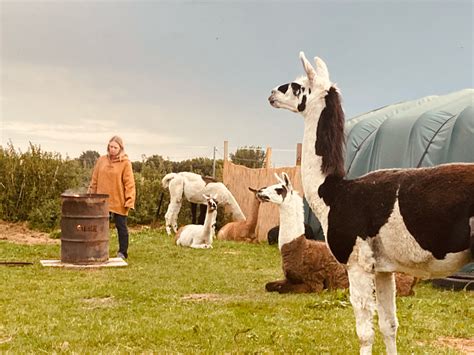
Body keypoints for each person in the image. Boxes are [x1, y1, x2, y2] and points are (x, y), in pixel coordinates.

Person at [88, 136, 136, 259]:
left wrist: (130, 199)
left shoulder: (125, 163)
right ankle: (98, 250)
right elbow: (95, 179)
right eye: (111, 147)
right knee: (99, 226)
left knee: (121, 226)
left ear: (120, 148)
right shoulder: (101, 160)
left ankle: (122, 252)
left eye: (115, 147)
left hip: (118, 200)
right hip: (101, 199)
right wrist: (90, 194)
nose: (112, 149)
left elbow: (129, 183)